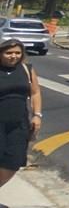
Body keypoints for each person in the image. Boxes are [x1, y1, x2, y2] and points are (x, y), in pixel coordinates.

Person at [0, 39, 42, 190]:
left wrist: (37, 115)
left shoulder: (26, 69)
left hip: (19, 124)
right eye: (8, 53)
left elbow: (35, 92)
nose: (13, 56)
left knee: (13, 162)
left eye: (17, 53)